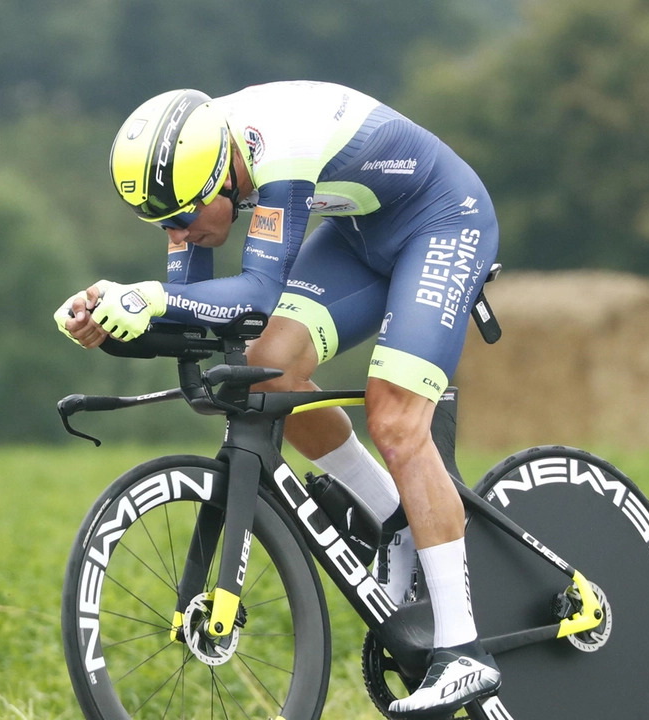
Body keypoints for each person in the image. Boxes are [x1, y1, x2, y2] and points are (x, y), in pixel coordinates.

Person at [54, 81, 500, 717]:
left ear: (221, 180)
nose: (177, 234)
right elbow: (199, 320)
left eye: (181, 218)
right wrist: (112, 319)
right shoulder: (199, 176)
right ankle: (392, 522)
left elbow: (259, 294)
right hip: (360, 233)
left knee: (396, 422)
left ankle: (464, 653)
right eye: (160, 224)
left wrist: (148, 297)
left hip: (441, 220)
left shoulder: (276, 145)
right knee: (265, 369)